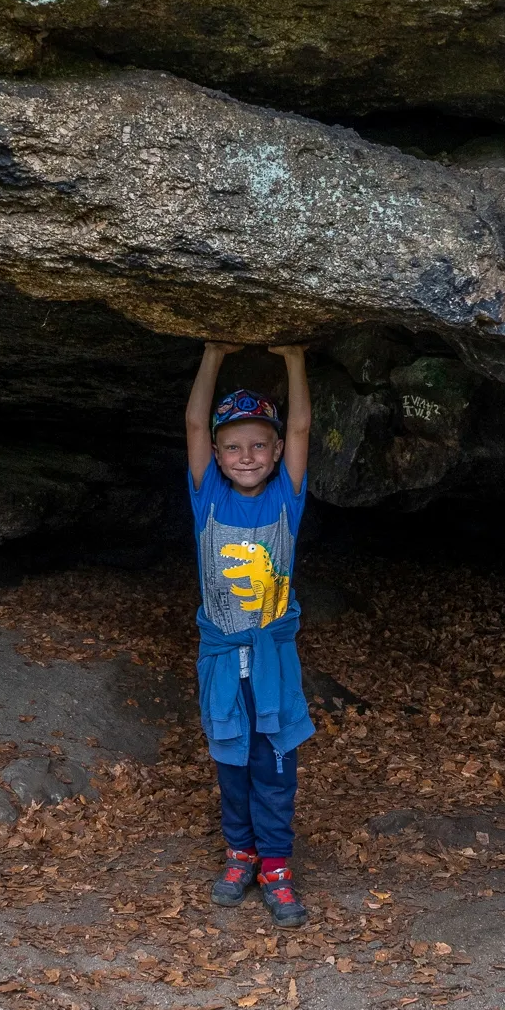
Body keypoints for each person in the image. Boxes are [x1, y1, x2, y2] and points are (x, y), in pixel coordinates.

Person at [184, 341, 315, 927]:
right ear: (216, 453)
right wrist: (213, 353)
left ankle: (277, 867)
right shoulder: (207, 493)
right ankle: (241, 855)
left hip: (272, 663)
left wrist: (294, 359)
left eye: (259, 444)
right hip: (221, 661)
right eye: (233, 446)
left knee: (275, 763)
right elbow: (193, 419)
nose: (247, 455)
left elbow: (305, 423)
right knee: (232, 765)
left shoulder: (288, 496)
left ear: (277, 449)